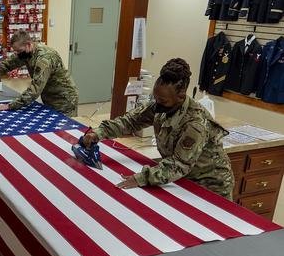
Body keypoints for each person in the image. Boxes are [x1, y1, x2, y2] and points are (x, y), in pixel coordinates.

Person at [81, 58, 234, 200]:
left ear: (180, 96)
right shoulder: (162, 105)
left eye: (163, 101)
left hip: (210, 186)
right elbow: (130, 122)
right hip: (180, 180)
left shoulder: (196, 123)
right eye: (156, 98)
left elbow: (179, 164)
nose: (157, 104)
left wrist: (142, 178)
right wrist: (98, 133)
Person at [0, 31, 79, 115]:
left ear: (28, 44)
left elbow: (35, 90)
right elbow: (6, 65)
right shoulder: (25, 53)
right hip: (49, 97)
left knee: (64, 132)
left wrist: (10, 106)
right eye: (15, 51)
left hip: (64, 100)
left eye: (19, 51)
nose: (17, 54)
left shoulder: (44, 58)